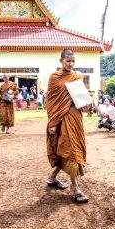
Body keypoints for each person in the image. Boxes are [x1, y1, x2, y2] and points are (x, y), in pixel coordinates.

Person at [46, 49, 89, 203]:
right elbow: (50, 102)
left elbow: (81, 98)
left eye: (73, 61)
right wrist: (52, 122)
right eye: (68, 61)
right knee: (71, 150)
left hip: (75, 117)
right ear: (61, 61)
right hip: (61, 119)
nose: (71, 64)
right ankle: (75, 188)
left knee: (66, 149)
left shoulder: (77, 76)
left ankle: (52, 178)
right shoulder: (54, 78)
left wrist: (87, 106)